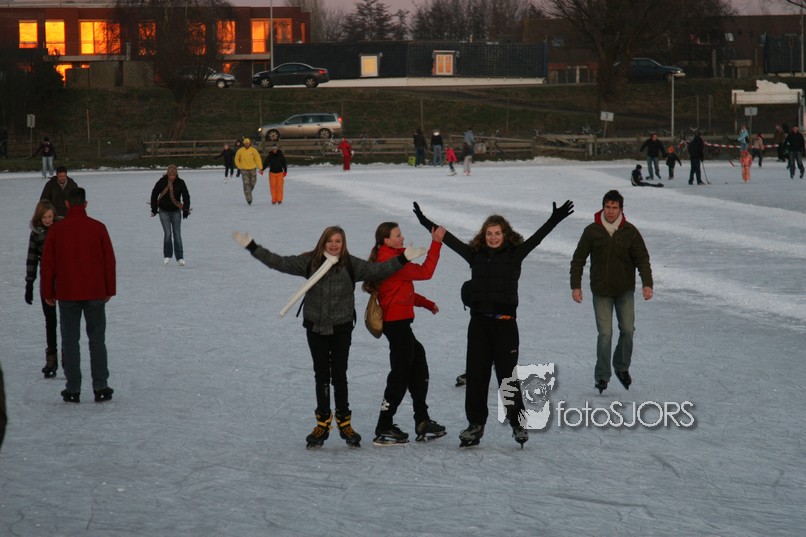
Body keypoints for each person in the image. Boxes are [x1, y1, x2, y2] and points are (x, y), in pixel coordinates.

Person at [231, 227, 425, 449]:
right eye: (330, 241)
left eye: (338, 241)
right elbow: (279, 262)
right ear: (323, 242)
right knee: (322, 376)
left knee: (339, 376)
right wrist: (252, 247)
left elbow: (378, 270)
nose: (334, 245)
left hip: (341, 329)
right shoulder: (310, 262)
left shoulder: (351, 264)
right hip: (316, 329)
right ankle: (322, 423)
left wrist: (403, 258)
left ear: (343, 244)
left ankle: (344, 423)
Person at [412, 199, 574, 448]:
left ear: (505, 234)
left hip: (505, 326)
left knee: (507, 377)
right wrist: (425, 221)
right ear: (483, 235)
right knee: (477, 376)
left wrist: (555, 218)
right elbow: (447, 237)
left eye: (497, 233)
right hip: (479, 325)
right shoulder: (474, 255)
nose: (493, 237)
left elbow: (537, 239)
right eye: (489, 233)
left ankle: (518, 423)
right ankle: (475, 425)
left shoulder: (514, 255)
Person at [363, 222, 447, 445]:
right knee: (400, 373)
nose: (402, 238)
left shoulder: (392, 258)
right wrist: (436, 243)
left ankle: (422, 420)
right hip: (396, 324)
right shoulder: (391, 262)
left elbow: (400, 290)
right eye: (397, 235)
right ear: (386, 240)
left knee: (418, 361)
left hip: (399, 323)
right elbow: (425, 272)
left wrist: (425, 303)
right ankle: (384, 425)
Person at [570, 190, 653, 395]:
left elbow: (642, 259)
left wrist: (647, 283)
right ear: (603, 207)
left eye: (614, 208)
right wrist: (576, 285)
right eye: (607, 207)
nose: (610, 211)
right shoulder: (592, 231)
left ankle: (621, 366)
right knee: (605, 333)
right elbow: (578, 259)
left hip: (624, 290)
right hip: (601, 291)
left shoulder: (630, 231)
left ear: (621, 209)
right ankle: (602, 376)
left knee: (628, 330)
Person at [41, 187, 116, 404]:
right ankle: (100, 386)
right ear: (85, 204)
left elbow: (48, 264)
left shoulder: (57, 230)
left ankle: (73, 388)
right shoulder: (98, 228)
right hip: (95, 292)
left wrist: (47, 291)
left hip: (67, 293)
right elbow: (109, 260)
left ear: (66, 204)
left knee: (70, 341)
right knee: (97, 339)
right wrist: (109, 289)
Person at [25, 200, 60, 378]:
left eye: (50, 217)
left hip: (65, 281)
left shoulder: (61, 229)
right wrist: (29, 283)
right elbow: (32, 258)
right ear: (39, 218)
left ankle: (68, 357)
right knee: (50, 321)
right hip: (47, 282)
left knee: (67, 321)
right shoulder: (36, 234)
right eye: (44, 217)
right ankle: (51, 357)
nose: (48, 220)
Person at [150, 164, 190, 266]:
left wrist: (186, 209)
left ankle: (180, 257)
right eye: (170, 175)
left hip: (176, 212)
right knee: (167, 234)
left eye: (174, 175)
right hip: (163, 212)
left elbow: (186, 196)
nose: (172, 177)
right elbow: (154, 194)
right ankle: (167, 255)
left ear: (176, 174)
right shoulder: (162, 182)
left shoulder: (181, 183)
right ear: (167, 174)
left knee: (177, 235)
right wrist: (154, 209)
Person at [234, 137, 262, 205]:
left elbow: (257, 159)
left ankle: (248, 192)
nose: (247, 144)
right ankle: (249, 199)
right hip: (244, 170)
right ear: (244, 144)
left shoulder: (253, 150)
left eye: (248, 143)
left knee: (252, 183)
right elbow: (236, 159)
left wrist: (260, 167)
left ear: (249, 143)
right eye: (245, 143)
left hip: (253, 169)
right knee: (246, 184)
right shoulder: (240, 151)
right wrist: (239, 166)